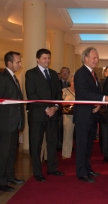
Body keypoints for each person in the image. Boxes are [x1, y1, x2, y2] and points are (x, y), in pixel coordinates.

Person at [73, 47, 108, 183]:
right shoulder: (80, 73)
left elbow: (93, 93)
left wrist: (98, 104)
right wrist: (103, 99)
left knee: (89, 145)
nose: (96, 60)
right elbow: (84, 93)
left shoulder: (93, 74)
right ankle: (81, 173)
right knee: (82, 145)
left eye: (97, 58)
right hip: (83, 116)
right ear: (85, 58)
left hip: (91, 115)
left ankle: (87, 168)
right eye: (94, 58)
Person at [25, 48, 64, 182]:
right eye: (44, 58)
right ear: (38, 59)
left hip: (52, 114)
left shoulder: (53, 74)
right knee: (36, 144)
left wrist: (55, 107)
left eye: (48, 58)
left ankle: (52, 168)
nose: (47, 60)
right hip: (37, 115)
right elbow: (32, 94)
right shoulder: (30, 74)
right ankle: (37, 172)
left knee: (52, 142)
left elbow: (58, 94)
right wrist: (47, 108)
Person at [0, 51, 25, 192]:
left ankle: (10, 176)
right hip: (5, 123)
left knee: (11, 152)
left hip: (14, 122)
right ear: (9, 63)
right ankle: (1, 181)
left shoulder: (14, 78)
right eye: (18, 62)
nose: (20, 64)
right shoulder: (3, 78)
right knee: (3, 154)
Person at [61, 74, 75, 159]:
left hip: (79, 114)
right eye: (73, 81)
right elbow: (62, 103)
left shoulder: (81, 91)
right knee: (67, 134)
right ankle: (66, 153)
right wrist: (70, 103)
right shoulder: (64, 90)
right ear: (70, 81)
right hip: (68, 114)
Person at [57, 67, 71, 151]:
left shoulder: (72, 84)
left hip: (70, 110)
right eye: (63, 72)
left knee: (68, 129)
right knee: (59, 127)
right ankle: (59, 144)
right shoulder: (57, 83)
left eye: (66, 72)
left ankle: (68, 145)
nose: (65, 73)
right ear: (60, 74)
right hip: (59, 109)